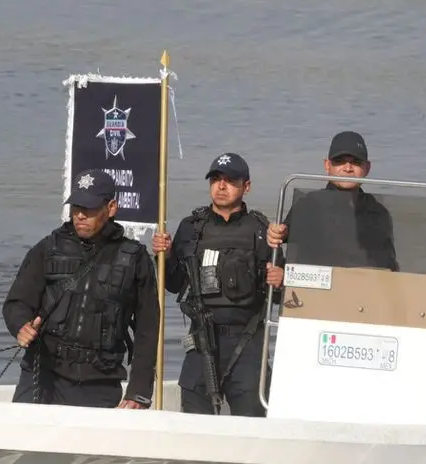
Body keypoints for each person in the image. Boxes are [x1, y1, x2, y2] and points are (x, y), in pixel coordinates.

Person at [2, 172, 159, 409]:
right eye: (76, 207)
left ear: (111, 208)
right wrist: (20, 326)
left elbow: (147, 328)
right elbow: (17, 302)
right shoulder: (48, 248)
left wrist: (139, 390)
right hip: (42, 374)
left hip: (99, 382)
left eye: (90, 208)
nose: (80, 215)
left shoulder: (134, 259)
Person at [151, 152, 285, 417]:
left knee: (251, 425)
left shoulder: (262, 231)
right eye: (215, 179)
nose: (221, 186)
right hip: (202, 339)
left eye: (230, 181)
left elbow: (279, 298)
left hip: (247, 342)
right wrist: (163, 256)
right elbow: (174, 285)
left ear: (246, 186)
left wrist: (280, 281)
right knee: (194, 421)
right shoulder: (191, 228)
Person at [266, 130, 398, 271]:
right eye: (339, 161)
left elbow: (388, 265)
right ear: (327, 165)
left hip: (361, 283)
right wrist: (276, 233)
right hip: (315, 283)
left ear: (367, 167)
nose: (348, 168)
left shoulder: (378, 212)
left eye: (356, 162)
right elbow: (283, 233)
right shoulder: (309, 205)